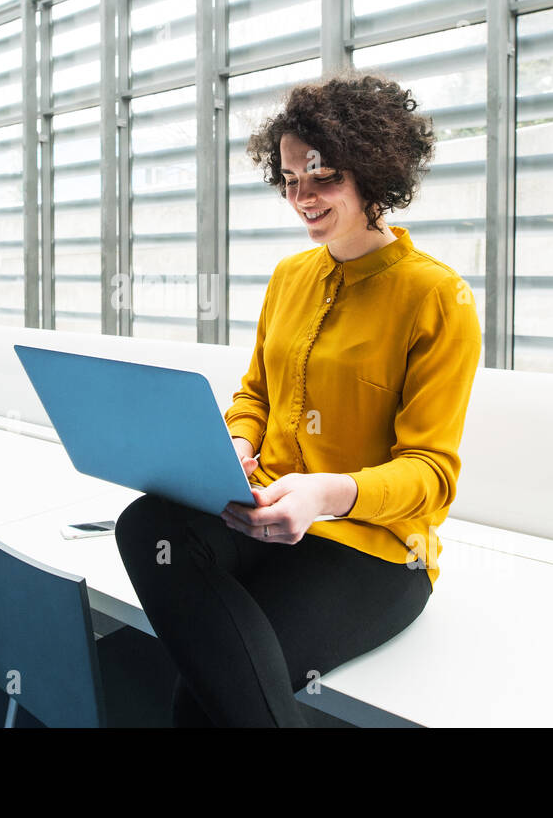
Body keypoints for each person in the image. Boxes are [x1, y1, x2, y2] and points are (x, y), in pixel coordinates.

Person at [114, 70, 482, 727]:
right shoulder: (290, 278)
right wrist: (237, 443)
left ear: (373, 171)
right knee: (146, 524)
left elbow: (431, 473)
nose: (302, 197)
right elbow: (255, 392)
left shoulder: (436, 297)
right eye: (289, 180)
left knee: (198, 704)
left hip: (372, 548)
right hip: (266, 513)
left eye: (323, 177)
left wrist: (324, 493)